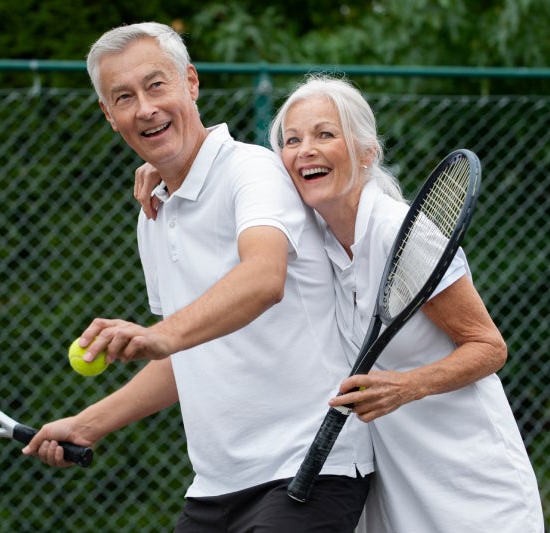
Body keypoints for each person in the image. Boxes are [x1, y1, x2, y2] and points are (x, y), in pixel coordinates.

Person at [137, 74, 545, 532]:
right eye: (291, 140)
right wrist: (170, 169)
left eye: (324, 134)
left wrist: (407, 386)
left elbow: (489, 347)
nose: (305, 149)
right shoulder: (311, 237)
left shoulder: (399, 232)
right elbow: (226, 163)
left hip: (473, 480)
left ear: (367, 153)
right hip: (393, 484)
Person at [23, 23, 374, 532]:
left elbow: (263, 278)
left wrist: (159, 335)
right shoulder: (153, 213)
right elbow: (186, 357)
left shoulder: (252, 172)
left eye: (156, 84)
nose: (145, 107)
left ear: (190, 82)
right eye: (124, 97)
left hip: (309, 467)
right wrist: (88, 423)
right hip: (214, 487)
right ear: (109, 115)